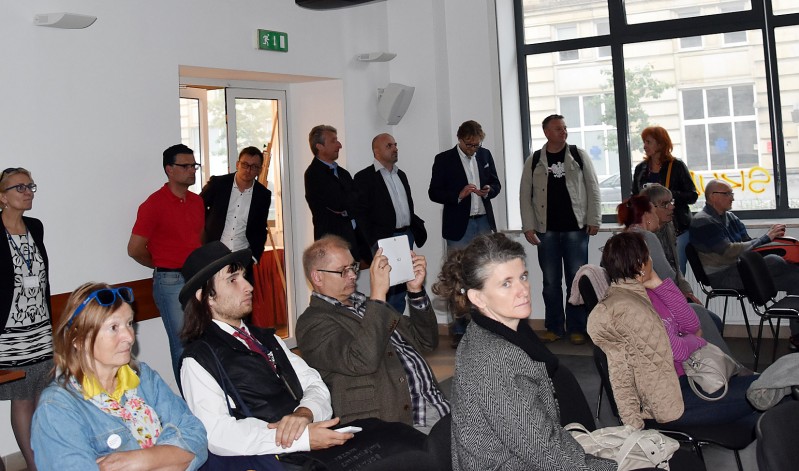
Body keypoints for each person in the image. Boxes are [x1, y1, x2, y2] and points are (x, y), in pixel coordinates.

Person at [178, 242, 431, 469]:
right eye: (233, 280)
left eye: (244, 276)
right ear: (205, 297)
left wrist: (305, 413)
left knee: (403, 442)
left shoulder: (266, 338)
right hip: (276, 458)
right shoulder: (198, 359)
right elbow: (218, 434)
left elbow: (315, 384)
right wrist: (302, 437)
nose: (249, 286)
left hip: (311, 446)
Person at [433, 233, 614, 470]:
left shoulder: (496, 331)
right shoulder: (498, 360)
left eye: (523, 277)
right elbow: (547, 455)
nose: (523, 290)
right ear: (478, 297)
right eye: (506, 283)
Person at [588, 232, 760, 431]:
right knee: (773, 390)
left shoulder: (650, 293)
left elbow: (692, 325)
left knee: (768, 396)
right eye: (648, 256)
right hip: (671, 401)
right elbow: (676, 350)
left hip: (689, 378)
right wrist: (697, 341)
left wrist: (660, 285)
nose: (652, 260)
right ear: (640, 264)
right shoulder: (628, 308)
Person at [31, 282, 207, 470]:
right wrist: (173, 457)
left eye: (129, 323)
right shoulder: (56, 408)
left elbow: (196, 435)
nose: (129, 337)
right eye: (114, 327)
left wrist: (139, 460)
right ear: (79, 340)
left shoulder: (143, 378)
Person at [296, 235, 449, 434]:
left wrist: (415, 291)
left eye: (353, 267)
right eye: (343, 270)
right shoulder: (312, 322)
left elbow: (427, 341)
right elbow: (361, 361)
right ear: (317, 277)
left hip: (437, 405)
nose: (353, 275)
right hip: (397, 423)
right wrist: (378, 296)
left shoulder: (367, 305)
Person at [520, 114, 601, 345]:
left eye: (564, 128)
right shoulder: (535, 160)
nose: (563, 132)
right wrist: (528, 226)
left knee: (577, 280)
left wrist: (594, 218)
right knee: (550, 282)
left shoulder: (578, 155)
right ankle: (554, 327)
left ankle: (577, 328)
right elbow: (524, 195)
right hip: (546, 231)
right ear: (546, 132)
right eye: (558, 128)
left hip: (576, 229)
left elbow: (593, 188)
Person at [127, 144, 204, 380]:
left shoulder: (197, 202)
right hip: (171, 281)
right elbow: (134, 249)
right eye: (185, 166)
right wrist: (162, 264)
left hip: (198, 277)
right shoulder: (153, 204)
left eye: (194, 165)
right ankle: (189, 401)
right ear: (169, 169)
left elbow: (199, 240)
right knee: (183, 345)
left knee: (203, 342)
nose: (192, 170)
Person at [689, 179, 799, 342]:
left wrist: (774, 243)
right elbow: (728, 252)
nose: (732, 198)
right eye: (727, 194)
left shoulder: (731, 217)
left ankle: (796, 336)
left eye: (731, 193)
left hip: (743, 269)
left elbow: (749, 245)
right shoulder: (702, 221)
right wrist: (766, 238)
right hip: (724, 276)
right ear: (713, 196)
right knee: (774, 261)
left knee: (795, 275)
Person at [428, 120, 501, 346]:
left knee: (485, 276)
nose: (473, 149)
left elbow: (496, 184)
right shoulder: (444, 159)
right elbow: (434, 192)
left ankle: (487, 326)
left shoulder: (485, 155)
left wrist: (488, 190)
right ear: (460, 140)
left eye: (477, 145)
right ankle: (459, 330)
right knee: (457, 277)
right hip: (459, 226)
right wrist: (458, 195)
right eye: (469, 145)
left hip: (483, 223)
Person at [618, 194, 726, 341]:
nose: (657, 217)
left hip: (636, 307)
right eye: (654, 212)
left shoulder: (620, 239)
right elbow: (668, 277)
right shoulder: (647, 238)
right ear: (646, 216)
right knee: (713, 321)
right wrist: (683, 298)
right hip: (656, 308)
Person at [0, 168, 52, 471]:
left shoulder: (35, 226)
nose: (27, 191)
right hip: (10, 332)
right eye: (19, 187)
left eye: (30, 185)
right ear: (2, 197)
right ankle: (33, 465)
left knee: (43, 395)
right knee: (21, 398)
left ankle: (46, 458)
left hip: (40, 327)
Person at [353, 133, 427, 314]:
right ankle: (386, 327)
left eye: (395, 145)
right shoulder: (364, 177)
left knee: (402, 287)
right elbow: (361, 214)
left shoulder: (401, 175)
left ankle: (398, 326)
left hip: (405, 236)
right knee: (389, 288)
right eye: (389, 146)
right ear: (376, 151)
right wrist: (373, 242)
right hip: (384, 240)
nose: (395, 148)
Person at [632, 126, 698, 275]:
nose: (644, 146)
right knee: (650, 273)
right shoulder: (640, 169)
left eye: (648, 142)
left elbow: (692, 196)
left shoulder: (677, 166)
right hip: (649, 228)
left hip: (677, 228)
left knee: (674, 273)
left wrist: (667, 195)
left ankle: (675, 292)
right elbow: (634, 197)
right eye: (644, 142)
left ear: (661, 144)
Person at [200, 146, 272, 269]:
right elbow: (197, 207)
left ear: (259, 170)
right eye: (245, 164)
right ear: (237, 164)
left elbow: (260, 228)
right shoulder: (218, 184)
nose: (248, 170)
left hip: (242, 259)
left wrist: (254, 257)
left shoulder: (263, 195)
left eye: (254, 167)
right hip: (213, 255)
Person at [304, 124, 364, 262]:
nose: (339, 145)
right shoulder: (313, 174)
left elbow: (358, 202)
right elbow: (337, 203)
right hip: (331, 244)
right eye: (333, 141)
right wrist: (351, 201)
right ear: (319, 146)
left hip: (353, 241)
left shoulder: (343, 173)